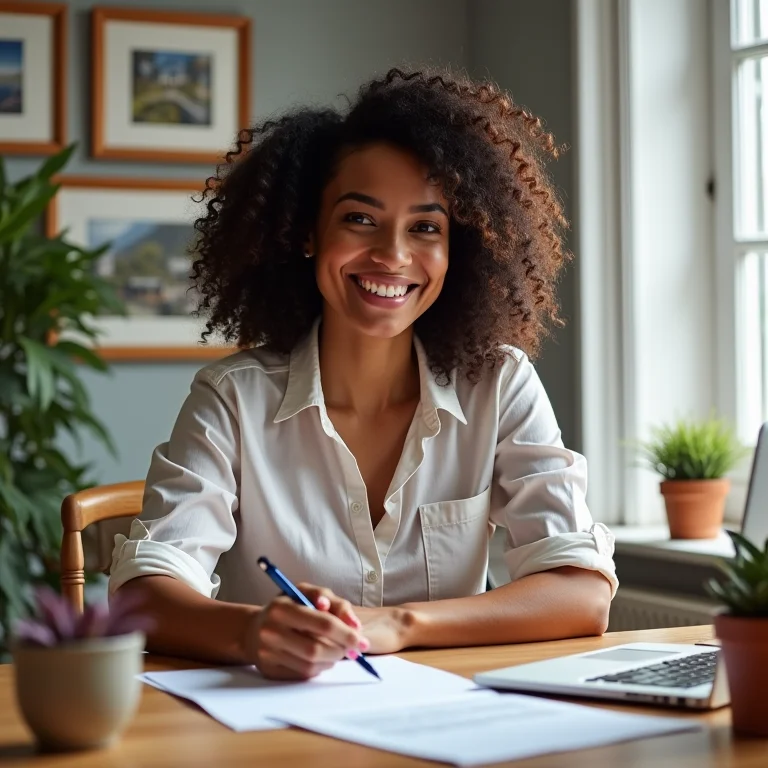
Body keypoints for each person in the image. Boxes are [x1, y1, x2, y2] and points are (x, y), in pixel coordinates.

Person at [109, 67, 617, 681]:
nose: (393, 255)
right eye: (360, 219)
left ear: (460, 249)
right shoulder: (233, 400)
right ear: (306, 233)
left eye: (426, 227)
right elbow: (142, 592)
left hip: (444, 728)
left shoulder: (499, 384)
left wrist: (400, 625)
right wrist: (251, 630)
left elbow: (582, 596)